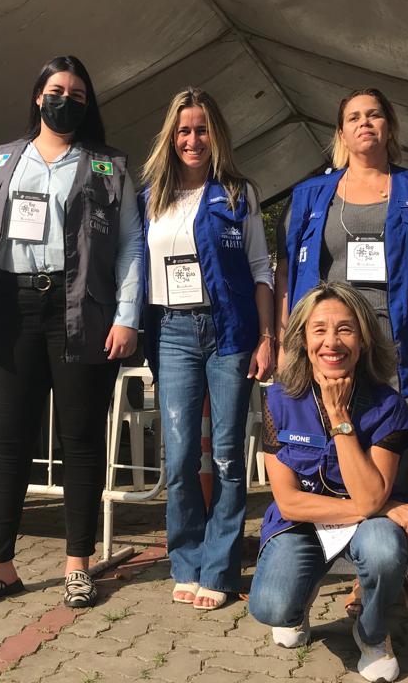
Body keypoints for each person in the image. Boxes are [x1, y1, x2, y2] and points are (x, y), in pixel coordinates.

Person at [0, 55, 143, 611]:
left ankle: (77, 565)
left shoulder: (108, 165)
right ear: (38, 96)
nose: (67, 100)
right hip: (10, 306)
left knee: (80, 442)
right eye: (58, 90)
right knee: (6, 443)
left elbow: (131, 243)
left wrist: (127, 314)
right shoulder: (4, 159)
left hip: (80, 309)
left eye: (78, 95)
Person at [276, 88, 408, 620]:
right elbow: (289, 270)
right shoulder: (312, 194)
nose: (364, 123)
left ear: (389, 125)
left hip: (406, 349)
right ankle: (370, 573)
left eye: (375, 113)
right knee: (351, 460)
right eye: (353, 116)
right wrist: (290, 338)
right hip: (337, 352)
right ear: (341, 131)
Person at [248, 282, 408, 683]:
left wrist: (338, 417)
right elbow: (290, 502)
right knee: (270, 607)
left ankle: (372, 633)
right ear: (302, 338)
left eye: (345, 329)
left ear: (364, 339)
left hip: (369, 528)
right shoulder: (278, 399)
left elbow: (368, 497)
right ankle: (300, 600)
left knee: (385, 549)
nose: (331, 342)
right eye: (319, 330)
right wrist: (384, 507)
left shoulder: (389, 405)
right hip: (304, 523)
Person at [139, 87, 274, 610]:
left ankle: (219, 570)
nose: (192, 139)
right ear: (171, 138)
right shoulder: (150, 196)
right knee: (177, 458)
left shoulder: (239, 193)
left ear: (215, 133)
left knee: (226, 456)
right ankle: (186, 560)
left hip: (229, 334)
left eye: (201, 129)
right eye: (183, 130)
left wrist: (266, 337)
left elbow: (261, 270)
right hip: (172, 331)